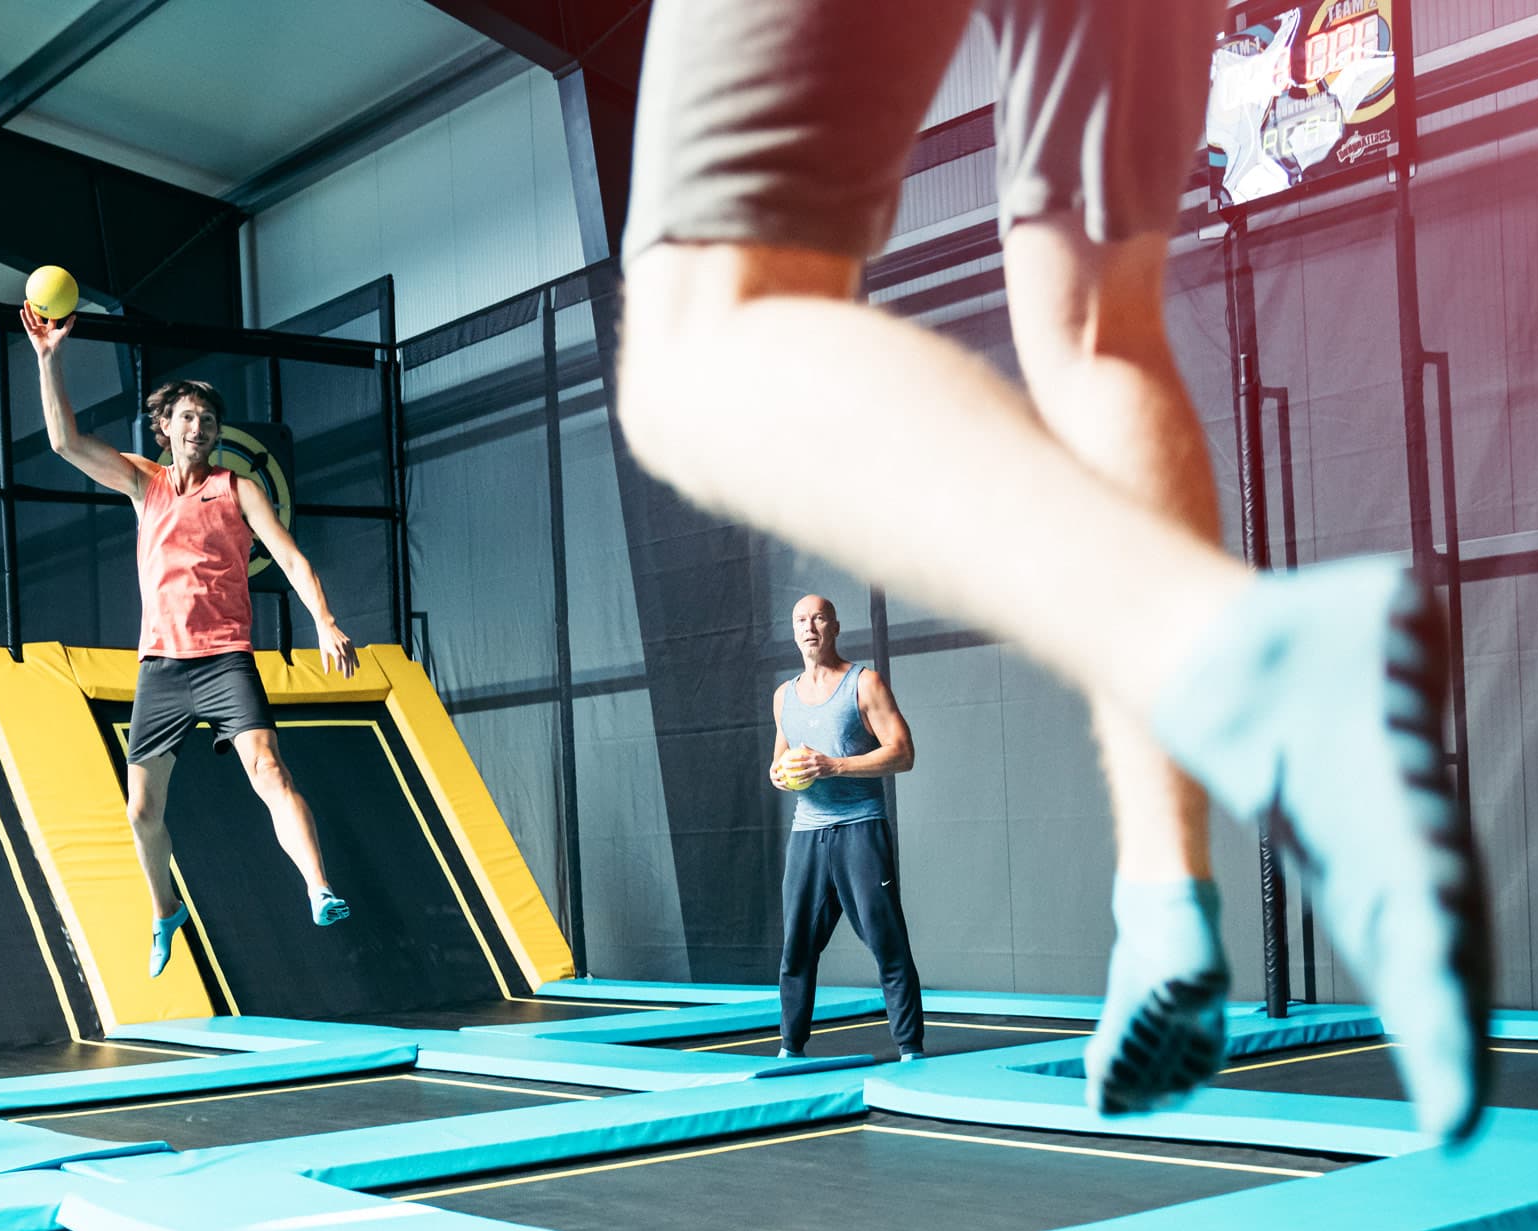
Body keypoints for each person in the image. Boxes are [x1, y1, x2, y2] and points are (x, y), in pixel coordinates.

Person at [613, 0, 1489, 1137]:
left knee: (695, 350)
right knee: (1093, 324)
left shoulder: (852, 684)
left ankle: (1237, 657)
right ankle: (1166, 906)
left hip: (854, 821)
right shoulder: (790, 693)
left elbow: (894, 746)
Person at [22, 306, 360, 978]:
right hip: (162, 668)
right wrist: (48, 358)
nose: (197, 426)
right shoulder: (141, 483)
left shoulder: (238, 488)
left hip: (226, 660)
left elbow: (291, 558)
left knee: (269, 770)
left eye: (207, 419)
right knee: (141, 810)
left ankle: (318, 886)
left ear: (215, 432)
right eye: (186, 417)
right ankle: (165, 910)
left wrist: (324, 620)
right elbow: (64, 441)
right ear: (166, 427)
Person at [770, 594, 924, 1060]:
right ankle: (790, 1049)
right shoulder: (783, 696)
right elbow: (780, 759)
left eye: (819, 618)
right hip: (807, 833)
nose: (809, 627)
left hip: (860, 829)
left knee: (887, 941)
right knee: (796, 949)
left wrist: (834, 765)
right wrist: (778, 773)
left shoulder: (864, 683)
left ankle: (911, 1049)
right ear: (793, 631)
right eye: (801, 620)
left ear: (834, 627)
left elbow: (903, 753)